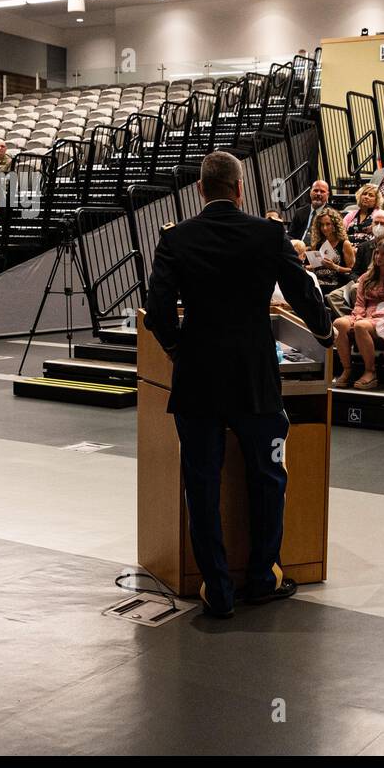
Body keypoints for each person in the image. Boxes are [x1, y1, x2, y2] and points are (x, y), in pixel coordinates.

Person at [144, 151, 333, 619]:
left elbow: (159, 309)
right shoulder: (268, 234)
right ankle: (263, 577)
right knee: (269, 477)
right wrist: (325, 333)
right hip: (255, 380)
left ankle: (217, 588)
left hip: (199, 382)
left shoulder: (176, 239)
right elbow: (302, 292)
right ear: (241, 188)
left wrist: (175, 351)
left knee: (202, 483)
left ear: (200, 190)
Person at [332, 238, 384, 391]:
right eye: (376, 253)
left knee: (361, 326)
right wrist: (359, 316)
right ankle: (347, 370)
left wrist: (368, 319)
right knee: (339, 324)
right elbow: (359, 303)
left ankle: (370, 372)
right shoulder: (366, 277)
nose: (379, 257)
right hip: (364, 316)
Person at [306, 206, 356, 295]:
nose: (324, 228)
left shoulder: (344, 244)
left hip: (337, 282)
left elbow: (351, 270)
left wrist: (334, 266)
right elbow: (315, 267)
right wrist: (310, 267)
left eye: (328, 224)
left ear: (335, 225)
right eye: (321, 225)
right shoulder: (317, 244)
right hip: (318, 280)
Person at [267, 178, 328, 243]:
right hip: (298, 248)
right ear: (310, 193)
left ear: (327, 195)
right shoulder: (300, 212)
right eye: (315, 190)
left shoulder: (331, 214)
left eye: (322, 191)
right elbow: (291, 235)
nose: (318, 194)